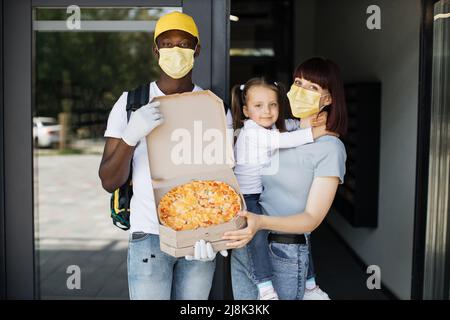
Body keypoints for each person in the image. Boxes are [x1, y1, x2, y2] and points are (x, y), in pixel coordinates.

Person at [99, 11, 226, 300]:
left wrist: (217, 235)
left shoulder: (214, 106)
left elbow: (222, 179)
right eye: (167, 44)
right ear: (156, 51)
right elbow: (108, 180)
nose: (175, 51)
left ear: (197, 50)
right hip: (149, 238)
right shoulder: (131, 103)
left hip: (199, 239)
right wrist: (132, 136)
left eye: (183, 44)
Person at [225, 57, 348, 300]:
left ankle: (311, 286)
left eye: (312, 88)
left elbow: (311, 220)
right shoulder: (278, 133)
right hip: (246, 246)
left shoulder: (329, 147)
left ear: (328, 99)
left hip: (285, 252)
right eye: (299, 83)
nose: (301, 91)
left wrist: (320, 130)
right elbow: (290, 134)